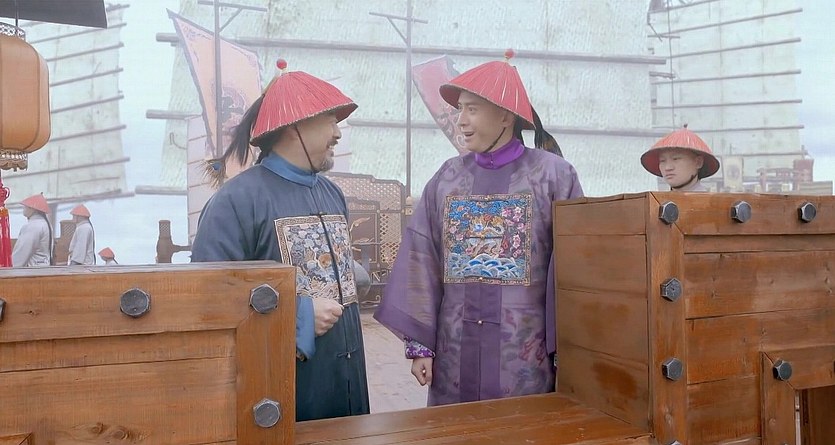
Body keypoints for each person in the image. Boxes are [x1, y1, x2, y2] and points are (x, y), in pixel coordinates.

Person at [374, 50, 584, 406]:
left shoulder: (553, 175)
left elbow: (574, 267)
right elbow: (421, 257)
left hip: (524, 356)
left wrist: (565, 348)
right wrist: (421, 345)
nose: (461, 120)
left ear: (505, 115)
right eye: (460, 109)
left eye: (472, 109)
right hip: (454, 352)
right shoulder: (448, 178)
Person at [191, 60, 370, 421]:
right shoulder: (236, 201)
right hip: (279, 391)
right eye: (330, 120)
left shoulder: (332, 193)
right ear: (293, 126)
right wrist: (297, 316)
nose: (337, 132)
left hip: (346, 380)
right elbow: (207, 296)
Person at [640, 124, 720, 192]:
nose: (668, 167)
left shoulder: (714, 203)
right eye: (662, 160)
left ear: (698, 162)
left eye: (676, 159)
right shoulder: (656, 202)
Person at [12, 193, 53, 267]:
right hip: (44, 266)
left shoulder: (33, 226)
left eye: (26, 207)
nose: (24, 209)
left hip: (33, 269)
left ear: (33, 209)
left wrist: (11, 268)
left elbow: (22, 252)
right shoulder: (45, 224)